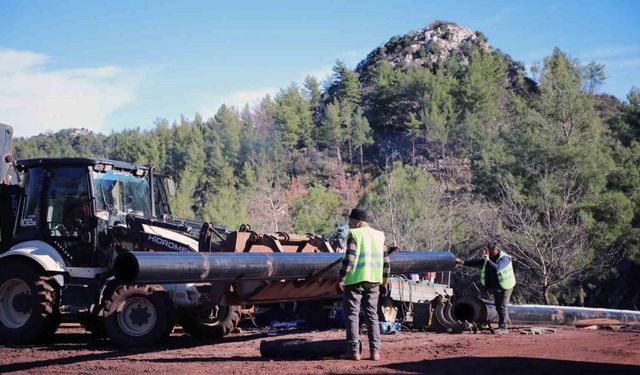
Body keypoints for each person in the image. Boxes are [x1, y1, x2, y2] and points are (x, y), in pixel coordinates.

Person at [337, 208, 390, 361]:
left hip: (354, 281)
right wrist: (384, 281)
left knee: (352, 315)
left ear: (357, 221)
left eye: (350, 221)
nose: (349, 224)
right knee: (372, 315)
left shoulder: (354, 234)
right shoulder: (379, 235)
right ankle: (375, 352)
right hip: (374, 281)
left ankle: (353, 351)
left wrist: (340, 278)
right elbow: (386, 261)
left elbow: (349, 259)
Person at [456, 242, 516, 334]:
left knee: (502, 306)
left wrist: (487, 260)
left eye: (491, 251)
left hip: (506, 285)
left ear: (497, 250)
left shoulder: (505, 258)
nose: (489, 253)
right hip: (496, 285)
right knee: (498, 306)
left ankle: (503, 328)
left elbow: (498, 268)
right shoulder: (489, 257)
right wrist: (462, 262)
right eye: (488, 251)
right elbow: (477, 263)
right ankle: (503, 324)